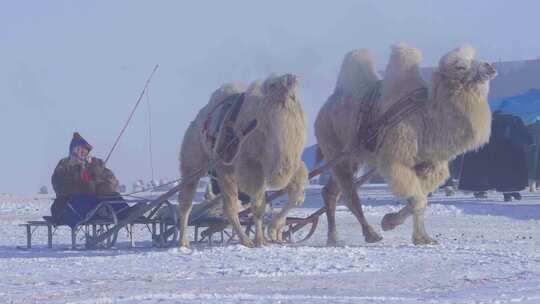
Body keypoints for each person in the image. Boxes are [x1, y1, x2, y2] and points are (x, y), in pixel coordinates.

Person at [50, 132, 126, 227]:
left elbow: (112, 182)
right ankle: (100, 212)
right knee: (85, 200)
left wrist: (99, 181)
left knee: (114, 197)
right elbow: (61, 187)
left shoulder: (95, 165)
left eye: (85, 151)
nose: (83, 153)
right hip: (68, 205)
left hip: (95, 200)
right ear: (73, 150)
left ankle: (126, 212)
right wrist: (88, 185)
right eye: (80, 150)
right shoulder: (64, 166)